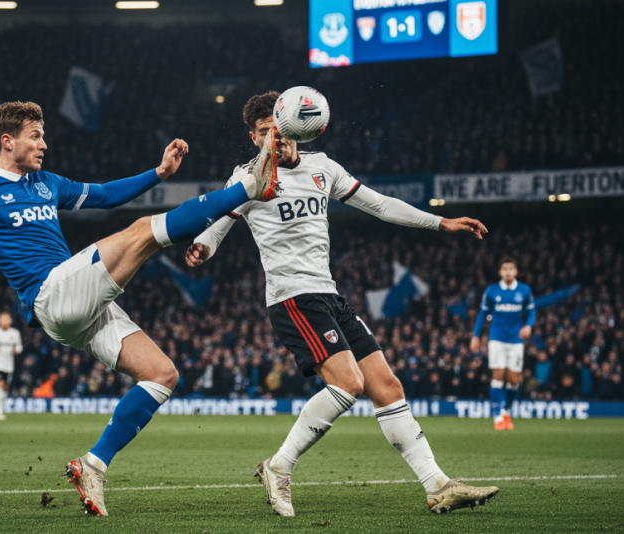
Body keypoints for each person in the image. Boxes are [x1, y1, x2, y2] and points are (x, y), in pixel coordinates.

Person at [0, 100, 280, 516]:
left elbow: (107, 195)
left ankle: (92, 466)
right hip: (50, 294)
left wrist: (159, 172)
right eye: (34, 137)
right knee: (141, 234)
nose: (43, 144)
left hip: (79, 309)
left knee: (162, 375)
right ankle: (246, 188)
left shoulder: (46, 184)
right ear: (7, 141)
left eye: (43, 136)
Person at [186, 91, 498, 515]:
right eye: (263, 133)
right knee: (348, 384)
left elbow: (380, 205)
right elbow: (218, 223)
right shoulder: (248, 178)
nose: (273, 139)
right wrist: (202, 247)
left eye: (278, 129)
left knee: (386, 387)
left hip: (329, 294)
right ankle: (279, 466)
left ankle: (437, 484)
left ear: (295, 125)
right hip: (292, 297)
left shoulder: (322, 166)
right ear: (253, 136)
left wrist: (440, 221)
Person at [471, 257, 535, 430]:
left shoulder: (524, 290)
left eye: (511, 269)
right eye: (505, 269)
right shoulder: (492, 291)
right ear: (500, 272)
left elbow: (531, 312)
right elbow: (482, 314)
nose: (508, 272)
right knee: (498, 376)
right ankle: (498, 414)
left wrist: (528, 326)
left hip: (516, 340)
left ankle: (506, 411)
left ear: (516, 272)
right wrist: (475, 336)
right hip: (496, 338)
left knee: (513, 380)